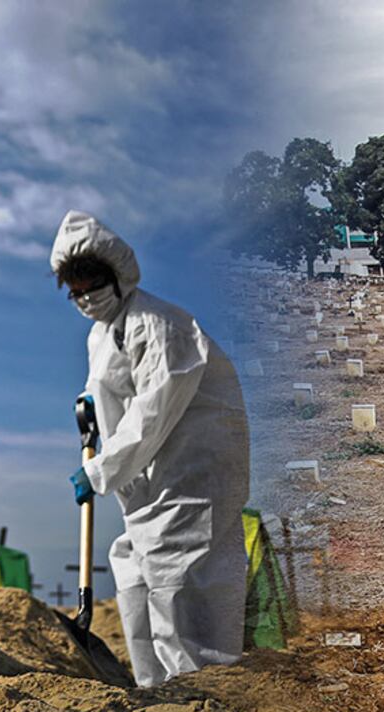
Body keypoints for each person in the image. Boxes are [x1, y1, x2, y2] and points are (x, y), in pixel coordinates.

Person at [50, 210, 250, 687]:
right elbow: (109, 390)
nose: (83, 297)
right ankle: (153, 691)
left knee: (177, 578)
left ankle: (200, 690)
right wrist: (90, 403)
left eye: (90, 283)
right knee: (135, 571)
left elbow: (152, 412)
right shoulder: (102, 334)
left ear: (117, 274)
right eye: (74, 289)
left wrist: (99, 471)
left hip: (189, 473)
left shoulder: (158, 325)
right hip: (146, 481)